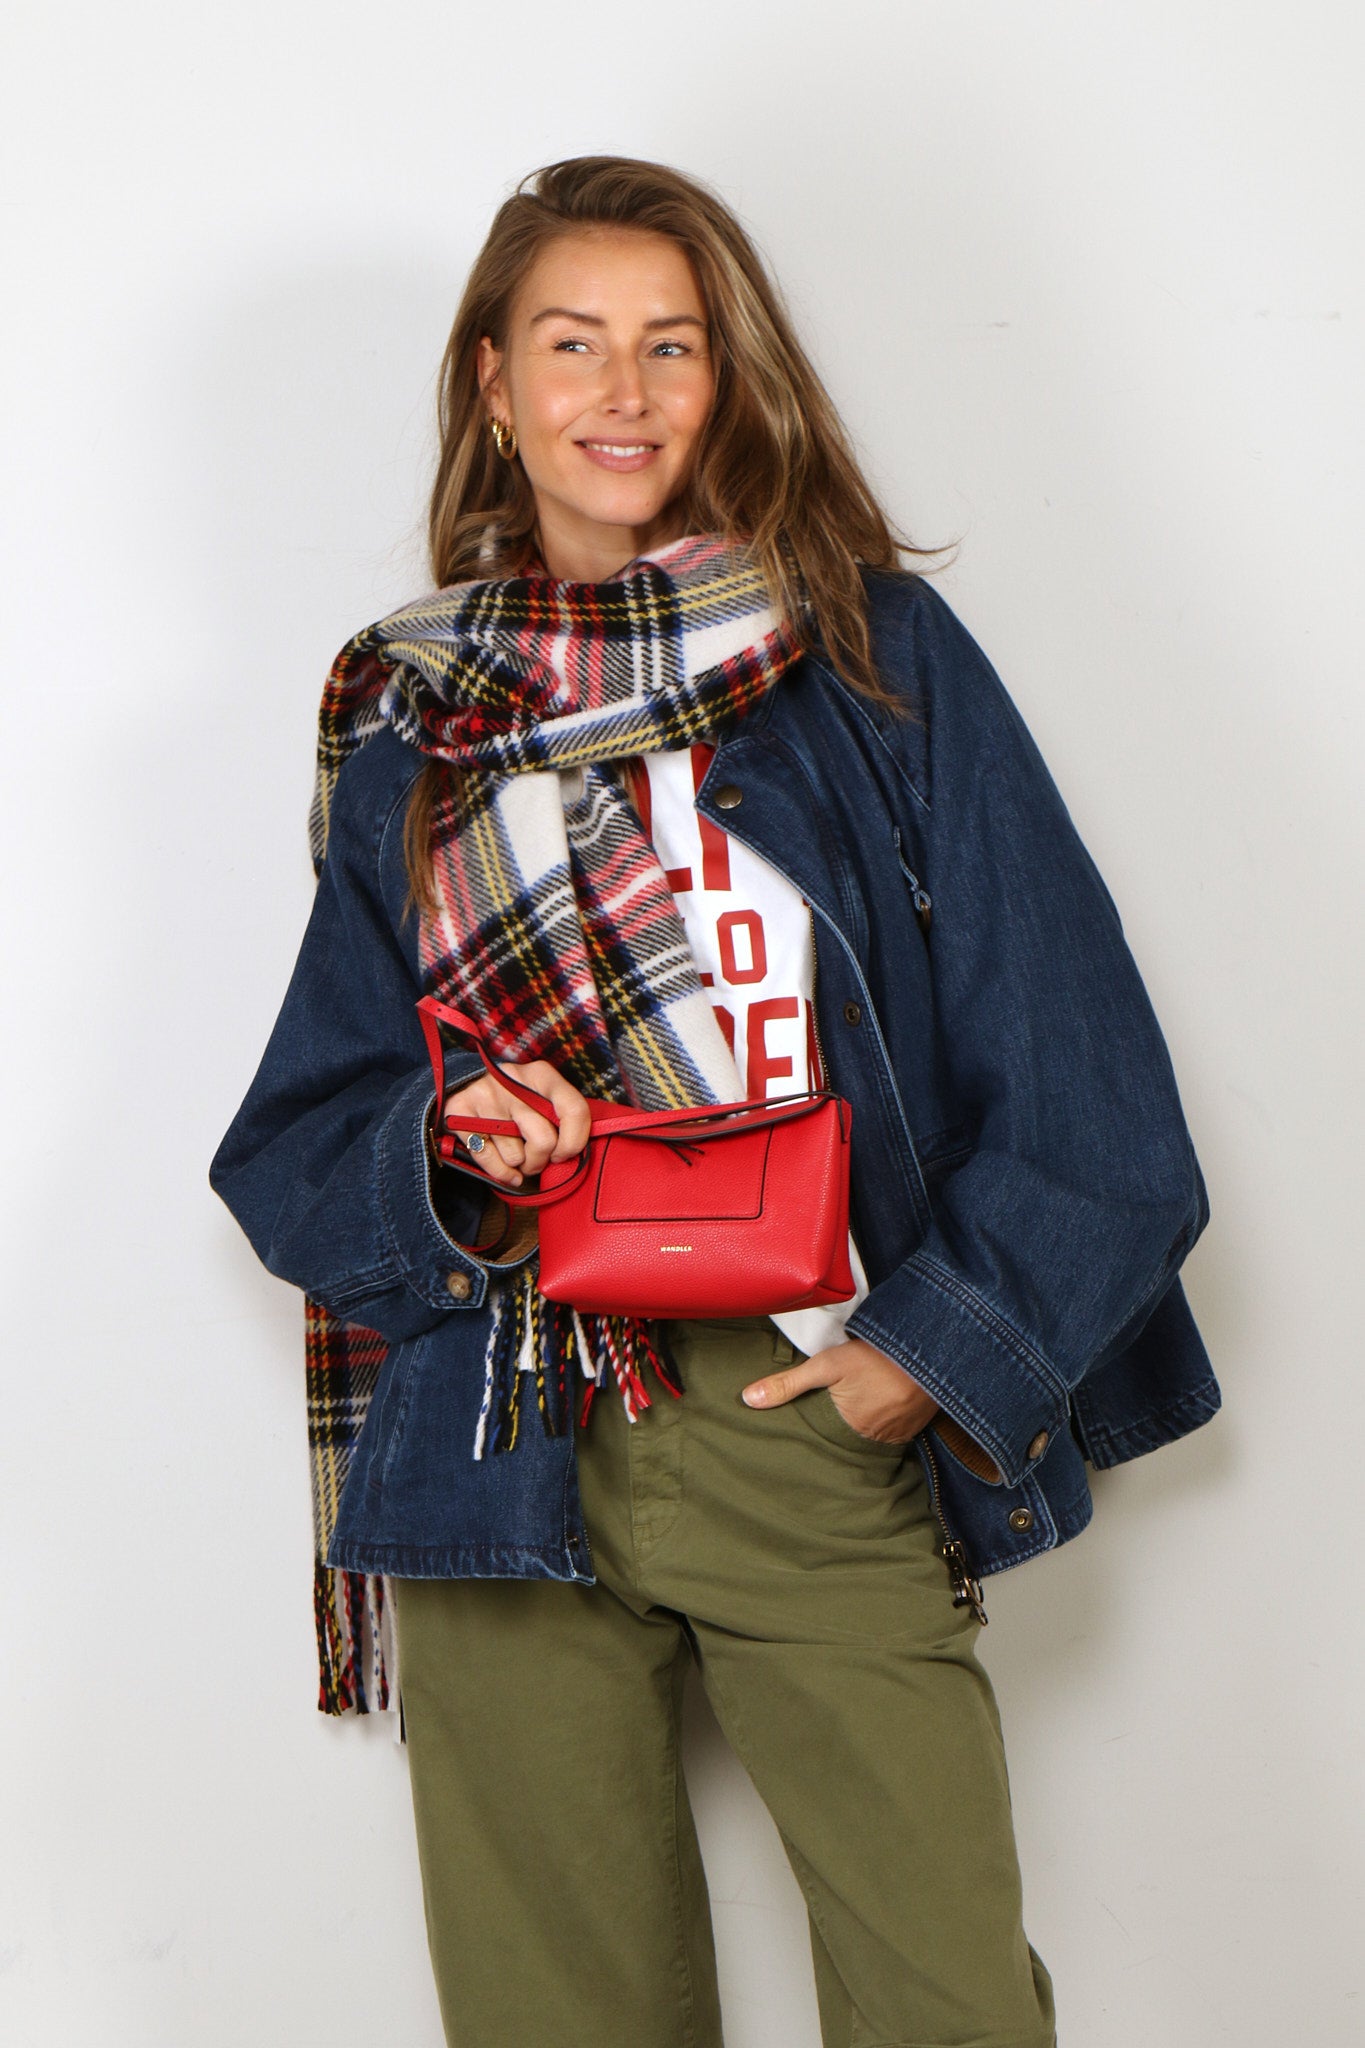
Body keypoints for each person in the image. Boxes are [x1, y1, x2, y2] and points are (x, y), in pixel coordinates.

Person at [210, 154, 1219, 2048]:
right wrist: (447, 1151)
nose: (624, 390)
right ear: (493, 382)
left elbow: (1087, 1077)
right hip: (500, 1416)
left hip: (801, 1401)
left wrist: (927, 1359)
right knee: (554, 2019)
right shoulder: (411, 710)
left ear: (727, 377)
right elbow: (299, 1129)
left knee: (945, 2007)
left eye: (670, 345)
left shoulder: (865, 656)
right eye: (571, 342)